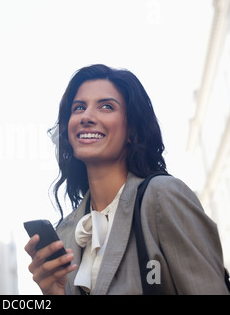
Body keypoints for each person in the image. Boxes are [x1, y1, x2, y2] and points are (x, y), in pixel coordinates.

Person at [24, 64, 229, 295]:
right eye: (79, 107)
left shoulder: (162, 197)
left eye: (106, 106)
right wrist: (55, 293)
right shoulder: (66, 234)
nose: (86, 117)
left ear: (133, 130)